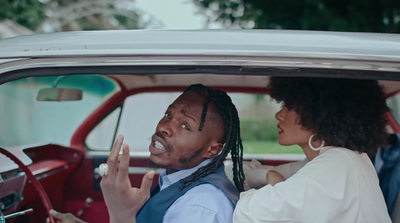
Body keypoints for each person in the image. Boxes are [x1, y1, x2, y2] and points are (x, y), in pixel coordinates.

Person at [47, 83, 245, 223]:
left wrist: (121, 215)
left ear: (212, 150)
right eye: (168, 115)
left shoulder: (197, 207)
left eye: (185, 125)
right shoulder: (179, 180)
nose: (165, 127)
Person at [233, 76, 392, 222]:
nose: (279, 115)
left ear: (321, 115)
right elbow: (259, 172)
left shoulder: (337, 163)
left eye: (289, 107)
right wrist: (263, 174)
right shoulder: (342, 160)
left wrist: (270, 176)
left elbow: (248, 214)